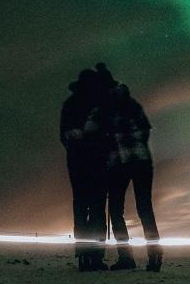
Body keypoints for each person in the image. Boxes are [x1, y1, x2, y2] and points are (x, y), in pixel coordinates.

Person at [98, 63, 163, 272]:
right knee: (144, 209)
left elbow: (103, 133)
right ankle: (153, 256)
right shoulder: (131, 103)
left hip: (122, 164)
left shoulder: (109, 107)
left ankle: (127, 257)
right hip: (142, 161)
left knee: (117, 210)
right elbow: (145, 130)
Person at [60, 69, 109, 271]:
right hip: (97, 164)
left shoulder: (69, 105)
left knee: (81, 207)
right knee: (97, 208)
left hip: (76, 163)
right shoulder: (99, 106)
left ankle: (83, 255)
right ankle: (96, 256)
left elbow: (63, 137)